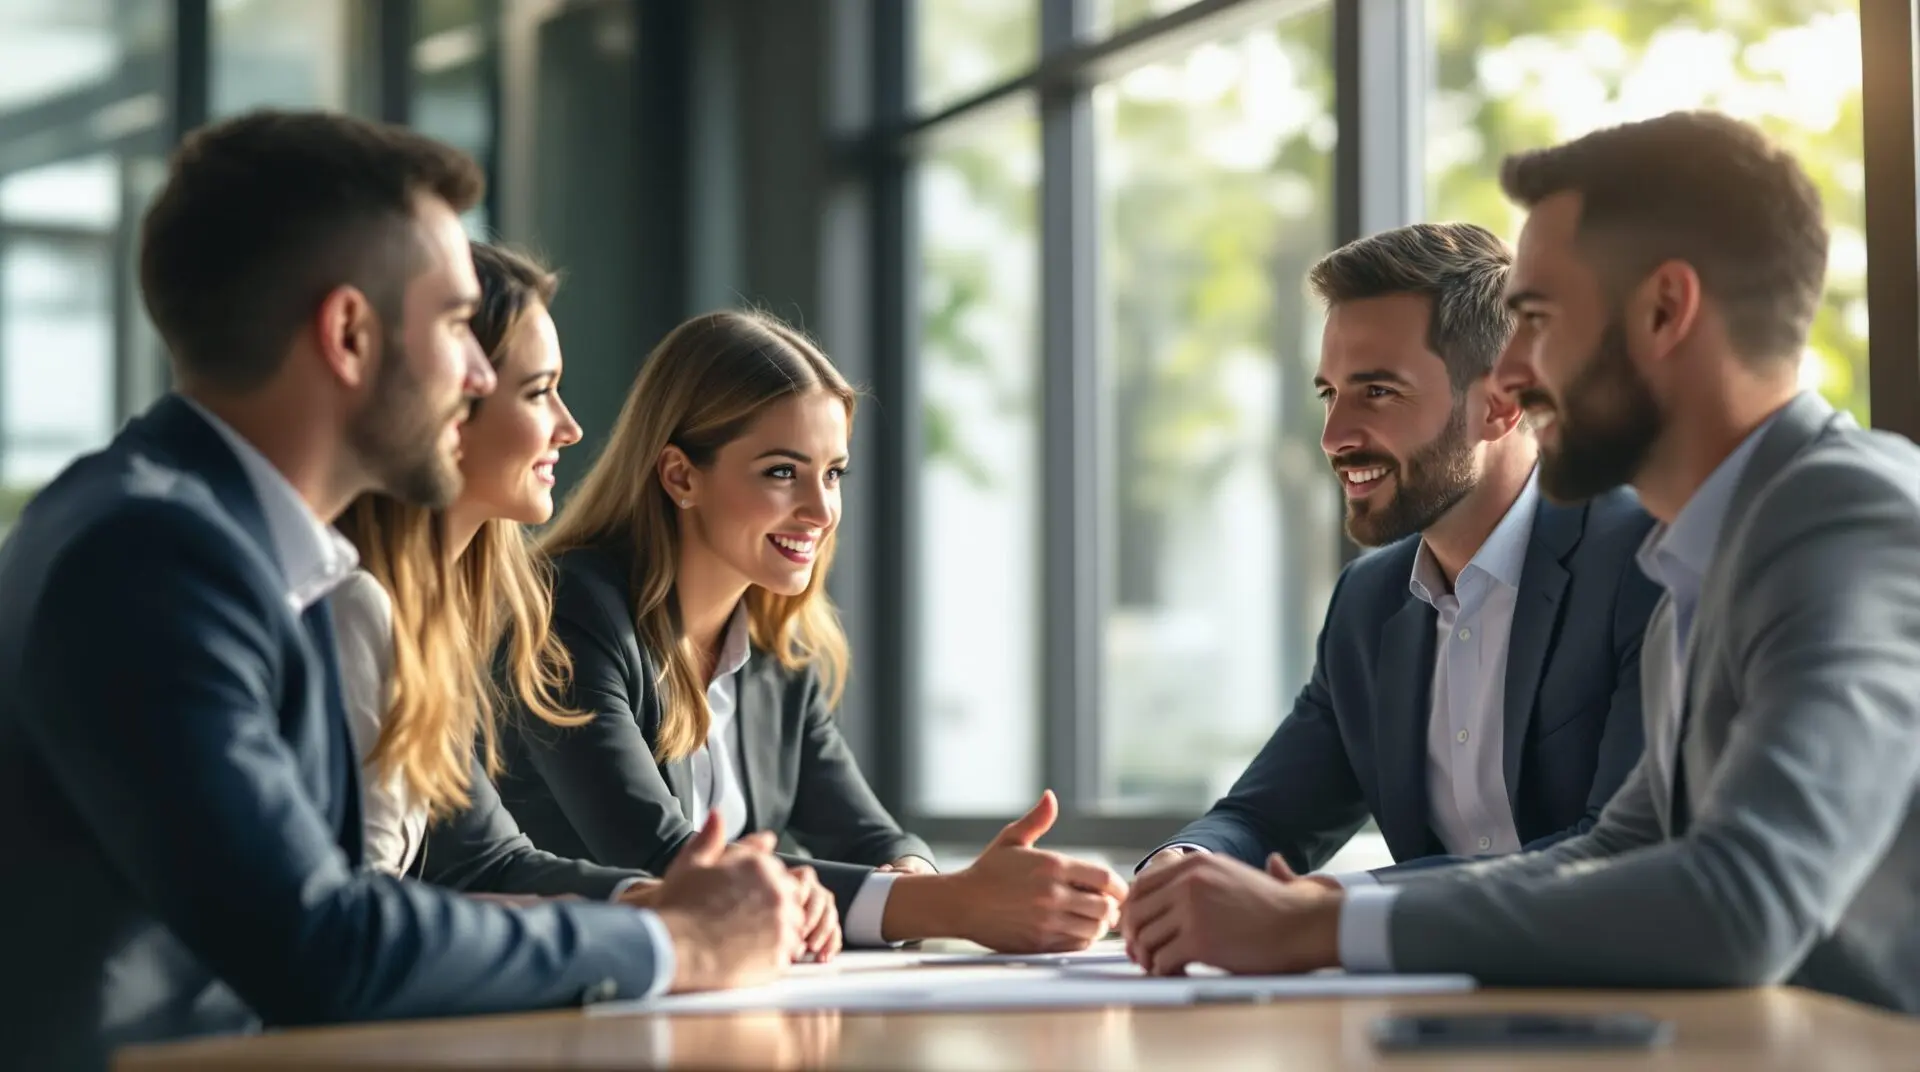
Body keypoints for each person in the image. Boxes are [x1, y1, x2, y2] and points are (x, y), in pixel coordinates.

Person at [0, 111, 802, 1069]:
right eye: (461, 325)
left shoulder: (221, 544)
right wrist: (676, 942)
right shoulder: (153, 559)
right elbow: (319, 941)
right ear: (348, 334)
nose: (475, 377)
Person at [1120, 110, 1920, 1015]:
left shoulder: (1848, 517)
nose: (1516, 374)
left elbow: (1745, 899)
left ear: (1665, 310)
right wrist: (1305, 906)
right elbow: (1618, 852)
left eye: (1537, 320)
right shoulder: (1709, 547)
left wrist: (1321, 927)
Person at [496, 309, 1130, 952]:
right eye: (781, 472)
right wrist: (952, 905)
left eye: (832, 473)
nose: (822, 510)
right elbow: (665, 862)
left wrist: (916, 875)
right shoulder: (568, 611)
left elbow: (870, 836)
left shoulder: (775, 653)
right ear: (681, 476)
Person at [327, 242, 843, 960]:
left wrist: (657, 903)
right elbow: (339, 920)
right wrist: (663, 935)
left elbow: (486, 862)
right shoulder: (351, 608)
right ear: (446, 406)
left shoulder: (431, 626)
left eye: (834, 473)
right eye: (539, 392)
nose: (570, 427)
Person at [1140, 222, 1659, 881]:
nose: (1334, 437)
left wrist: (1334, 909)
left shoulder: (1645, 559)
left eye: (1378, 392)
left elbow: (1622, 856)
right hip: (1437, 985)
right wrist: (1183, 868)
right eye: (1331, 393)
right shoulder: (1369, 602)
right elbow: (1262, 820)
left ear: (1501, 405)